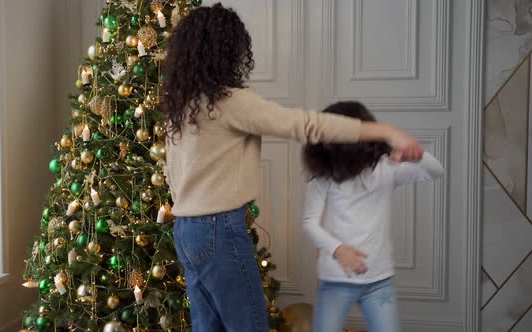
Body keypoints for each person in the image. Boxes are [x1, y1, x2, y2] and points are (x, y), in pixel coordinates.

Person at [162, 4, 425, 332]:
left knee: (208, 327)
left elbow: (172, 173)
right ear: (229, 49)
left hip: (186, 230)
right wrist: (386, 132)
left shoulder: (182, 106)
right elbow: (307, 125)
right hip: (219, 231)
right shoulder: (229, 102)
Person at [301, 101, 444, 332]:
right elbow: (309, 222)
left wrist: (414, 155)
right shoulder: (323, 177)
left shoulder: (386, 170)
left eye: (330, 134)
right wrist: (339, 250)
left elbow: (436, 171)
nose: (323, 141)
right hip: (336, 280)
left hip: (379, 280)